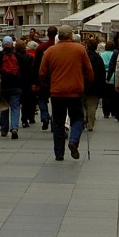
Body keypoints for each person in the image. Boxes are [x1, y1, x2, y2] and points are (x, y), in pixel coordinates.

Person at [38, 24, 95, 160]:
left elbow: (42, 73)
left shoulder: (50, 51)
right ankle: (73, 140)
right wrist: (85, 83)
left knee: (58, 122)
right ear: (71, 36)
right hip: (75, 91)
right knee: (77, 118)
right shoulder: (80, 49)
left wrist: (47, 84)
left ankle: (59, 153)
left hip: (57, 92)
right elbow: (89, 70)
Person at [0, 36, 30, 138]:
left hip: (3, 85)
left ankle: (3, 128)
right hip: (16, 85)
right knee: (15, 107)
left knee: (4, 107)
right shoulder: (18, 56)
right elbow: (24, 72)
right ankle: (14, 127)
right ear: (12, 44)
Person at [83, 36, 106, 129]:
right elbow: (102, 73)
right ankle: (90, 124)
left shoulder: (83, 57)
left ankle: (84, 118)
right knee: (92, 106)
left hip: (83, 84)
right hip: (95, 85)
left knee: (83, 104)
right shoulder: (99, 59)